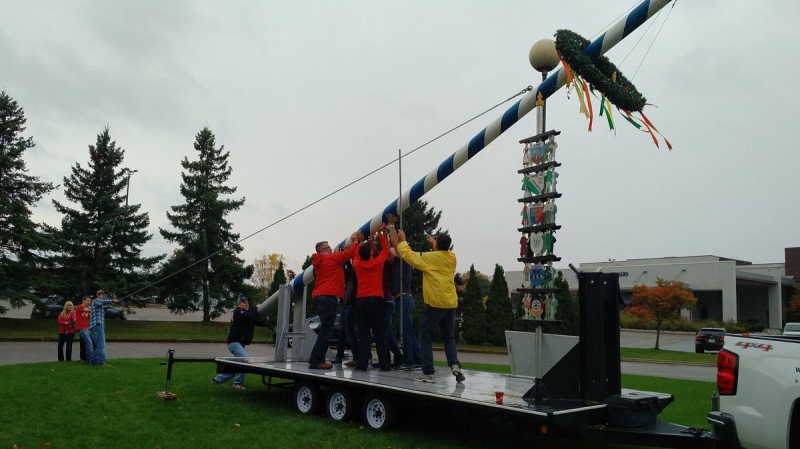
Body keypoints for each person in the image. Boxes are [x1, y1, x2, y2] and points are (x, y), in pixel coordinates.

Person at [387, 213, 464, 384]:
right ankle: (455, 365)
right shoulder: (451, 257)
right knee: (449, 337)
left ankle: (428, 373)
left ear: (438, 245)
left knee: (425, 336)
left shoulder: (430, 258)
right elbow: (441, 251)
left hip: (435, 302)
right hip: (450, 303)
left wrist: (403, 239)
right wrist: (434, 243)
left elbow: (409, 255)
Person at [309, 231, 361, 370]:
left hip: (320, 297)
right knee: (326, 330)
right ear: (322, 250)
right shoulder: (330, 258)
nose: (331, 249)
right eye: (328, 247)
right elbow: (348, 254)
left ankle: (317, 359)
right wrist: (355, 242)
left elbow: (342, 258)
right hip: (328, 297)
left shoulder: (322, 261)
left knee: (325, 329)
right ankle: (315, 360)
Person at [352, 225, 390, 371]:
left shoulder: (357, 264)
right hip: (377, 300)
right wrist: (381, 234)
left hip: (361, 300)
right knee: (379, 333)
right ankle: (384, 364)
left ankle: (362, 364)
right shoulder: (377, 263)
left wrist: (359, 241)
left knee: (363, 334)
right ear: (371, 254)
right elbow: (386, 250)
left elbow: (355, 254)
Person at [212, 296, 258, 389]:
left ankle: (218, 379)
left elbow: (254, 318)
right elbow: (251, 315)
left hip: (240, 343)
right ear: (239, 304)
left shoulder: (246, 313)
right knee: (245, 360)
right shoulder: (238, 312)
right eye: (244, 302)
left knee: (238, 365)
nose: (247, 304)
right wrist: (255, 308)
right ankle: (237, 383)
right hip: (234, 343)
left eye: (247, 302)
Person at [392, 253, 421, 371]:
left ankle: (409, 362)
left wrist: (392, 234)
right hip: (404, 300)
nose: (392, 251)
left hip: (404, 299)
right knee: (409, 331)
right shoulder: (399, 264)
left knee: (406, 333)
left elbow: (395, 245)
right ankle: (418, 360)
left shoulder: (404, 260)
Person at [89, 289, 119, 366]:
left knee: (97, 345)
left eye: (104, 295)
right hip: (97, 325)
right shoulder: (96, 301)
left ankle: (93, 361)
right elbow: (102, 302)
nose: (103, 296)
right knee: (101, 344)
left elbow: (104, 305)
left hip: (96, 326)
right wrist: (112, 301)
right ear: (98, 295)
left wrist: (112, 303)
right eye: (102, 295)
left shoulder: (99, 304)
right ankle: (101, 362)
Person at [75, 296, 93, 363]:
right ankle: (90, 360)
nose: (89, 302)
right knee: (89, 344)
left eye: (90, 301)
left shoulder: (87, 310)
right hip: (82, 328)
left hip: (87, 328)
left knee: (90, 344)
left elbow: (89, 317)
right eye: (87, 301)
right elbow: (86, 310)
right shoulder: (80, 307)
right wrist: (94, 309)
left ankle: (88, 359)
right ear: (83, 300)